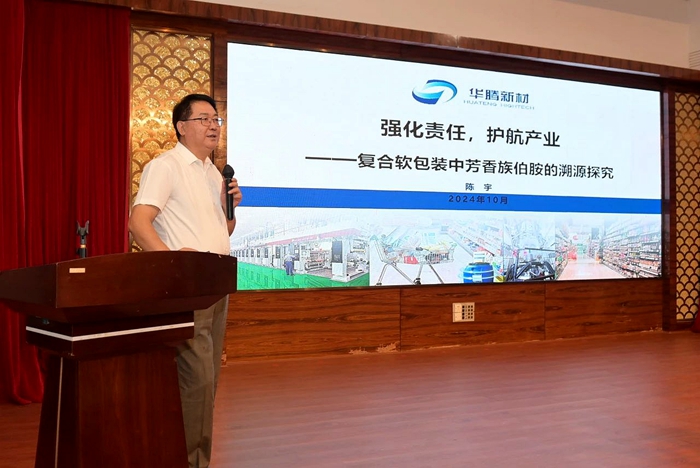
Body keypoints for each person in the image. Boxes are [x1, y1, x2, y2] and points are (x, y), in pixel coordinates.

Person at [128, 93, 242, 468]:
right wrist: (173, 265)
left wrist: (230, 211)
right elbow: (138, 222)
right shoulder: (166, 167)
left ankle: (189, 458)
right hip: (186, 288)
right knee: (196, 381)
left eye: (216, 120)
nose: (213, 126)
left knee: (207, 382)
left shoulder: (214, 173)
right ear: (181, 126)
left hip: (216, 284)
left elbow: (221, 231)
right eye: (203, 119)